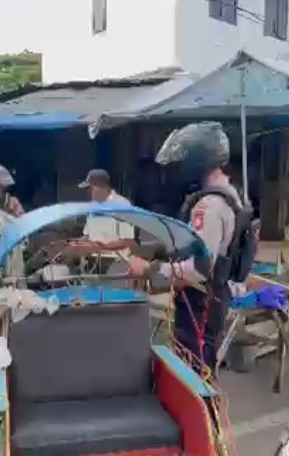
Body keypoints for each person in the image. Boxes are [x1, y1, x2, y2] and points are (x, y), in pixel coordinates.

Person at [125, 122, 255, 371]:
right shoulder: (232, 194)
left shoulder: (208, 206)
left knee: (194, 372)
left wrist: (149, 270)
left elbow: (200, 268)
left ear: (199, 159)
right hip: (213, 298)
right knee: (201, 367)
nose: (178, 168)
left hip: (201, 304)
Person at [76, 169, 137, 270]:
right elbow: (87, 236)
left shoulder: (122, 205)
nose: (87, 192)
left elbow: (127, 241)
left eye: (89, 188)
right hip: (93, 262)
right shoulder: (93, 207)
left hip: (117, 263)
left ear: (100, 187)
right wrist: (75, 243)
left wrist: (99, 247)